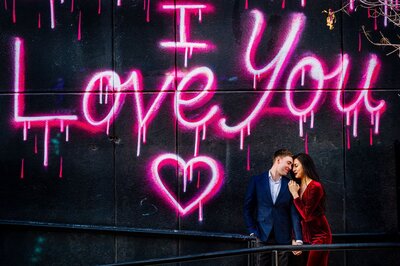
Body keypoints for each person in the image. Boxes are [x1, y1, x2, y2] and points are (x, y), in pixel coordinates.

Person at [244, 149, 303, 266]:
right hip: (262, 235)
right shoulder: (257, 181)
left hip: (284, 237)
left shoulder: (290, 184)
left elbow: (294, 213)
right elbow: (248, 207)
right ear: (278, 160)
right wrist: (252, 231)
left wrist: (298, 239)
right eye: (289, 163)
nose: (290, 167)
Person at [288, 153, 332, 266]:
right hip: (305, 237)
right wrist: (294, 239)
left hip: (320, 236)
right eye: (292, 166)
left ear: (305, 165)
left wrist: (294, 195)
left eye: (296, 165)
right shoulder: (297, 187)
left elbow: (306, 215)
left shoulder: (315, 186)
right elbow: (296, 216)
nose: (293, 169)